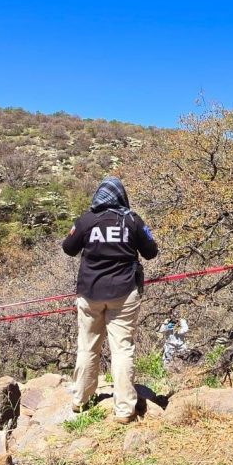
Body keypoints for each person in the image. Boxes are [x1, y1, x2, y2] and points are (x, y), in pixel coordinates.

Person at [62, 176, 158, 424]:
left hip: (89, 293)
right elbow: (151, 251)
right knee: (122, 349)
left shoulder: (87, 220)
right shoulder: (132, 220)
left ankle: (80, 399)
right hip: (124, 294)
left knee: (87, 346)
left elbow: (68, 248)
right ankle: (125, 409)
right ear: (121, 196)